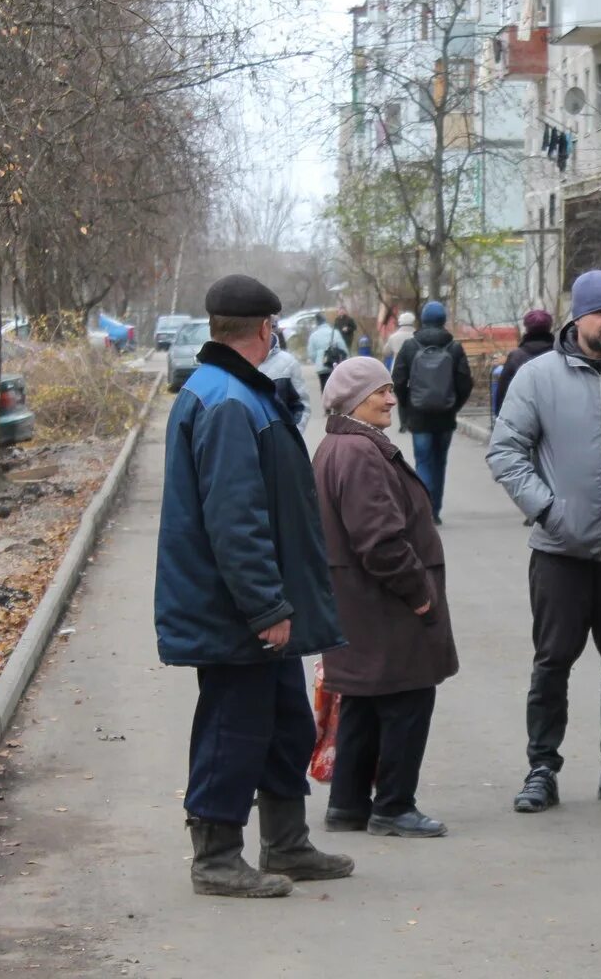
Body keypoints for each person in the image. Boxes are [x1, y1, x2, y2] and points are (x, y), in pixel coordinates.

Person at [154, 274, 354, 897]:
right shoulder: (229, 401)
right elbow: (235, 519)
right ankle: (215, 858)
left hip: (250, 605)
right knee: (232, 730)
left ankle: (286, 842)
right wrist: (265, 605)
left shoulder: (237, 392)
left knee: (283, 722)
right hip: (235, 610)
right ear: (266, 329)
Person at [487, 271, 601, 814]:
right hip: (559, 552)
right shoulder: (539, 377)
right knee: (552, 663)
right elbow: (505, 451)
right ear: (577, 317)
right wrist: (547, 509)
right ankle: (542, 767)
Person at [315, 357, 459, 839]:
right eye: (381, 392)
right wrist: (420, 594)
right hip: (384, 604)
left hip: (358, 603)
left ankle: (348, 804)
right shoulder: (359, 452)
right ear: (356, 399)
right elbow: (379, 539)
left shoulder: (339, 445)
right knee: (407, 698)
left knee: (363, 700)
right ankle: (394, 806)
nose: (391, 399)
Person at [391, 301, 472, 524]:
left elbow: (398, 380)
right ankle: (435, 510)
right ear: (443, 320)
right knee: (440, 462)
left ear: (423, 320)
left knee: (423, 462)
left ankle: (425, 512)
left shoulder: (410, 346)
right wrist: (454, 405)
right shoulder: (454, 347)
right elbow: (465, 382)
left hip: (419, 416)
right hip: (445, 416)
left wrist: (407, 407)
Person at [492, 308, 556, 417]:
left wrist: (500, 417)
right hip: (554, 420)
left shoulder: (516, 357)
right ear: (549, 328)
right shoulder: (560, 356)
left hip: (522, 420)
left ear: (526, 329)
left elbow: (503, 393)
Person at [259, 327, 309, 426]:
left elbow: (300, 405)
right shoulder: (230, 362)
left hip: (282, 437)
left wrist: (293, 435)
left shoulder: (288, 362)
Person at [307, 312, 349, 392]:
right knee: (337, 389)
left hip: (321, 367)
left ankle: (327, 403)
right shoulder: (335, 332)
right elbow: (343, 348)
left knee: (325, 389)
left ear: (317, 323)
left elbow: (311, 354)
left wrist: (318, 360)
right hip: (335, 365)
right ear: (325, 321)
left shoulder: (313, 336)